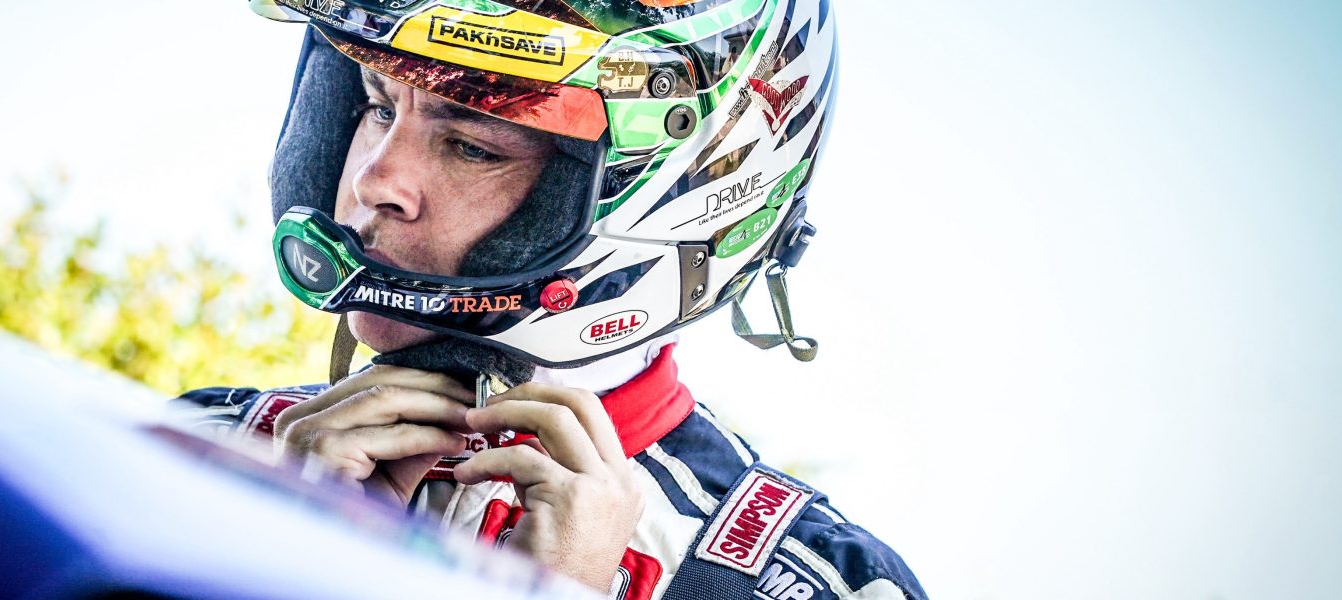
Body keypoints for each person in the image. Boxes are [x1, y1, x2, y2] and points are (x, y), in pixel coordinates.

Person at [175, 0, 927, 597]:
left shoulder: (820, 584)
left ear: (677, 196)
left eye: (472, 145)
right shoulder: (198, 448)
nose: (376, 181)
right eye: (377, 107)